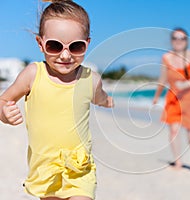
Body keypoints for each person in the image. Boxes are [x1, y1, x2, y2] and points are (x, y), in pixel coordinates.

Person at [0, 0, 114, 199]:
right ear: (40, 43)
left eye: (76, 47)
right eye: (54, 46)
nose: (65, 55)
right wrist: (4, 113)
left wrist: (108, 102)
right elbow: (3, 100)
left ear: (87, 43)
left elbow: (100, 97)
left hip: (79, 169)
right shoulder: (33, 74)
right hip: (45, 169)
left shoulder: (91, 79)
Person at [153, 28, 190, 169]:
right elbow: (162, 79)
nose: (178, 41)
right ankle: (178, 161)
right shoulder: (166, 58)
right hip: (173, 99)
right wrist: (156, 97)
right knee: (174, 130)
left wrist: (185, 84)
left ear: (186, 41)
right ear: (171, 40)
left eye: (182, 38)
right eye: (175, 38)